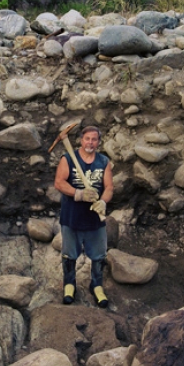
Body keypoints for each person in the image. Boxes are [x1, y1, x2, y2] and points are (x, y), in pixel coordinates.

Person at [54, 125, 114, 308]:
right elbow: (59, 183)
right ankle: (69, 284)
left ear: (98, 142)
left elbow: (109, 187)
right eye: (87, 139)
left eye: (94, 139)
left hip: (95, 219)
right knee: (69, 254)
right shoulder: (68, 159)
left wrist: (102, 202)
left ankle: (96, 286)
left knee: (98, 255)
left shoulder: (103, 161)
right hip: (71, 217)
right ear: (81, 140)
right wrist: (78, 194)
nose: (90, 142)